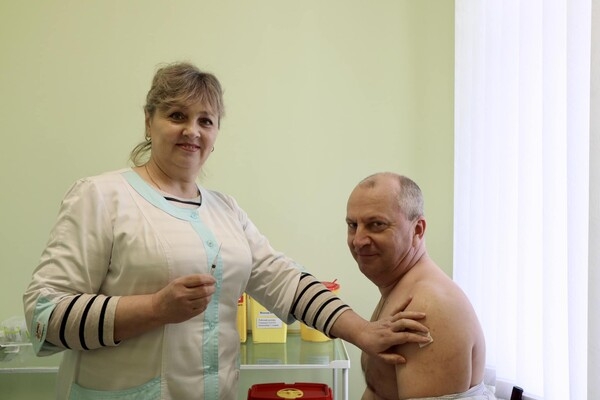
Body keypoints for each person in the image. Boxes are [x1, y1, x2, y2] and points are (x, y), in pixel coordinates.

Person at [22, 62, 433, 400]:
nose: (192, 131)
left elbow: (285, 281)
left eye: (206, 120)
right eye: (177, 116)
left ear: (216, 134)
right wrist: (155, 309)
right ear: (148, 122)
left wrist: (364, 332)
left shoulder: (225, 211)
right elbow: (44, 314)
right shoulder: (100, 197)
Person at [346, 172, 496, 400]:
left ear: (418, 230)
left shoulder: (429, 307)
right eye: (352, 225)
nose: (358, 240)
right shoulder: (399, 288)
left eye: (376, 225)